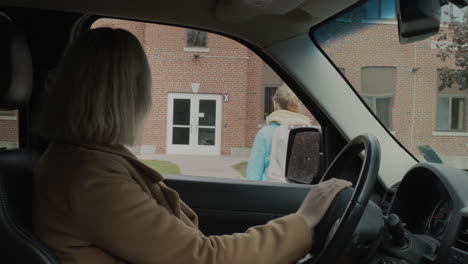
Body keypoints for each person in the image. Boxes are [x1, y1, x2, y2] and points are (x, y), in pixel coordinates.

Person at [34, 28, 351, 264]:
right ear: (127, 99)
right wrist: (305, 219)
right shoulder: (90, 179)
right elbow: (204, 259)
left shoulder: (83, 163)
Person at [247, 84, 311, 181]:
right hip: (301, 192)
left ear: (274, 103)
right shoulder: (308, 132)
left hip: (270, 191)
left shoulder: (265, 134)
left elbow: (253, 175)